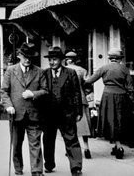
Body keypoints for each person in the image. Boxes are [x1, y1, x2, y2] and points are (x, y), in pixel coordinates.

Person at [0, 42, 47, 176]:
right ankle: (18, 168)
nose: (27, 60)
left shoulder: (39, 71)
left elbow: (45, 90)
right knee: (16, 144)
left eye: (30, 57)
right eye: (25, 56)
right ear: (19, 56)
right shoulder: (11, 70)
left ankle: (37, 171)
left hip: (34, 113)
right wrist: (8, 105)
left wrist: (33, 94)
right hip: (16, 113)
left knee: (35, 143)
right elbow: (4, 91)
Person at [85, 48, 134, 159]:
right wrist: (131, 100)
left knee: (110, 120)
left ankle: (118, 146)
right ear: (120, 59)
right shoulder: (125, 69)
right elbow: (130, 87)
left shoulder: (104, 68)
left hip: (108, 95)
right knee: (120, 120)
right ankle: (117, 145)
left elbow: (89, 81)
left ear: (110, 58)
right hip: (122, 96)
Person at [42, 47, 83, 176]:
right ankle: (49, 164)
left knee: (71, 139)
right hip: (49, 114)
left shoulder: (70, 73)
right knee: (48, 140)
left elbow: (77, 93)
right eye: (50, 60)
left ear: (61, 60)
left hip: (67, 113)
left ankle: (76, 167)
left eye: (54, 59)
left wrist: (78, 111)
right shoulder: (45, 73)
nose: (52, 62)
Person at [64, 51, 93, 159]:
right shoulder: (82, 70)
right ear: (75, 60)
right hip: (81, 100)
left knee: (68, 126)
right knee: (84, 125)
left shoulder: (63, 71)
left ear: (67, 60)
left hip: (67, 101)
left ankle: (70, 149)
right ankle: (86, 148)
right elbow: (88, 84)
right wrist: (84, 92)